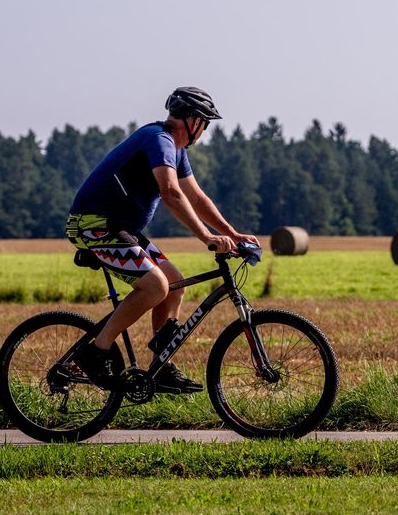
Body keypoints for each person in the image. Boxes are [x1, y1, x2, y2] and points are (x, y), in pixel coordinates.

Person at [65, 86, 258, 393]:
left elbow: (196, 197)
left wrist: (232, 233)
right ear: (193, 120)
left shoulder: (176, 150)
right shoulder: (159, 139)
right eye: (205, 123)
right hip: (93, 224)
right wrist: (207, 237)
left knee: (174, 285)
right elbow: (171, 193)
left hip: (121, 228)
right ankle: (96, 352)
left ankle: (161, 367)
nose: (205, 130)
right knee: (156, 286)